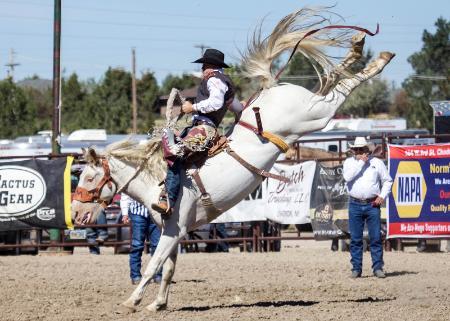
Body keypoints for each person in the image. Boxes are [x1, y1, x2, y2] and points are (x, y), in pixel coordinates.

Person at [152, 48, 243, 216]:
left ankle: (168, 198)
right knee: (175, 148)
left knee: (174, 153)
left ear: (209, 66)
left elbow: (215, 104)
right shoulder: (224, 83)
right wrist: (240, 112)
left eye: (203, 66)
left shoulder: (213, 80)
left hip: (203, 128)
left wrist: (191, 107)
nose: (202, 69)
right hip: (203, 127)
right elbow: (236, 107)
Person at [343, 137, 392, 279]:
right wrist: (360, 163)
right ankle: (356, 268)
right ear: (353, 150)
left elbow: (387, 180)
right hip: (355, 203)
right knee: (356, 238)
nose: (358, 152)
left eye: (361, 149)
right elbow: (347, 177)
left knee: (376, 237)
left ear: (367, 149)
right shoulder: (349, 163)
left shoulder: (376, 163)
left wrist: (382, 196)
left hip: (372, 204)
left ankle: (377, 267)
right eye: (356, 149)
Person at [120, 193, 162, 285]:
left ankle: (158, 275)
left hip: (155, 212)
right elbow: (125, 194)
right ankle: (135, 276)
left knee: (157, 246)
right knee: (137, 245)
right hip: (137, 212)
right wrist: (125, 213)